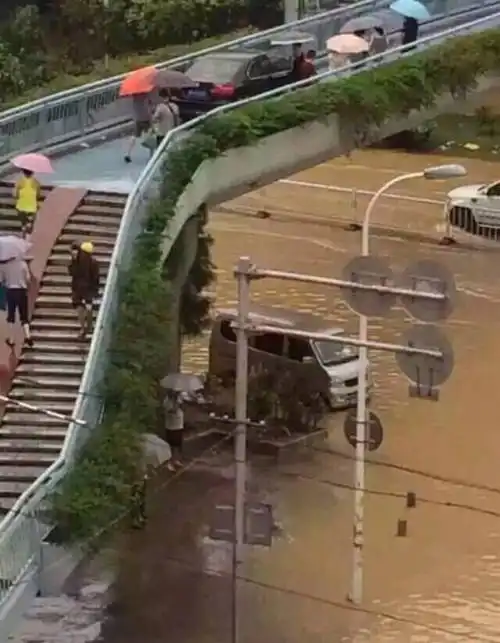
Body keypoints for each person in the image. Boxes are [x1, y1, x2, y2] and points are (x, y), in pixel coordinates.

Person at [68, 241, 100, 340]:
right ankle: (87, 326)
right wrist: (95, 290)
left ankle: (85, 327)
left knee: (82, 308)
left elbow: (72, 272)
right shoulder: (91, 262)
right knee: (85, 307)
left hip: (81, 289)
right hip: (84, 289)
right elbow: (96, 278)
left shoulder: (79, 261)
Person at [0, 254, 33, 348]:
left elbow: (1, 280)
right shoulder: (23, 264)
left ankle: (11, 339)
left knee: (11, 316)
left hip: (10, 291)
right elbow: (28, 279)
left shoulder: (5, 266)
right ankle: (28, 336)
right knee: (24, 315)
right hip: (22, 291)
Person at [124, 93, 152, 163]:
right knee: (150, 136)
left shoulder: (134, 98)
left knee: (134, 136)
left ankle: (128, 153)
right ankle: (151, 155)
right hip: (146, 120)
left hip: (138, 119)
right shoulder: (145, 97)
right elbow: (148, 109)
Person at [13, 170, 41, 238]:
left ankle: (24, 227)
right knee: (32, 215)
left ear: (23, 172)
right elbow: (38, 195)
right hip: (32, 206)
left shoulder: (19, 182)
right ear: (32, 173)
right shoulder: (36, 182)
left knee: (23, 220)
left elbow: (15, 195)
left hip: (21, 206)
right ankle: (29, 224)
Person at [163, 391, 185, 470]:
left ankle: (175, 459)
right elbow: (173, 410)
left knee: (177, 445)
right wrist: (176, 403)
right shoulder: (167, 401)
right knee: (170, 445)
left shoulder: (179, 398)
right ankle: (170, 462)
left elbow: (183, 408)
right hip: (171, 426)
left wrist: (180, 402)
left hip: (179, 425)